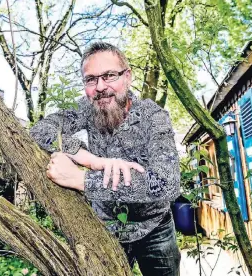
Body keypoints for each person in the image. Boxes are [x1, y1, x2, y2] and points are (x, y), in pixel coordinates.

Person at [29, 42, 181, 275]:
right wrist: (93, 161)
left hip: (155, 229)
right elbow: (40, 131)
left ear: (127, 77)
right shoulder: (85, 109)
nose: (100, 87)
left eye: (109, 75)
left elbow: (166, 183)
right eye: (91, 79)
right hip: (107, 228)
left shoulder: (154, 116)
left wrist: (83, 180)